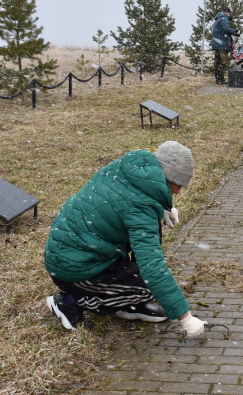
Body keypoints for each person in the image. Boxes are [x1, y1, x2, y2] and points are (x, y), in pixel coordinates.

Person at [44, 141, 208, 336]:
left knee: (145, 280)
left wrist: (162, 208)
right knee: (149, 286)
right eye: (177, 184)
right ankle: (68, 303)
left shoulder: (127, 169)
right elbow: (152, 266)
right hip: (74, 269)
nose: (179, 191)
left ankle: (130, 306)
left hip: (72, 251)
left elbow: (120, 204)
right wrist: (185, 317)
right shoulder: (142, 206)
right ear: (166, 176)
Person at [211, 7, 238, 85]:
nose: (230, 15)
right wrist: (235, 31)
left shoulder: (217, 19)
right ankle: (220, 79)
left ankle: (218, 79)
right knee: (224, 62)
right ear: (227, 12)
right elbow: (226, 30)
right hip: (222, 44)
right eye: (229, 13)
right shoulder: (224, 19)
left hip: (217, 44)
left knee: (217, 61)